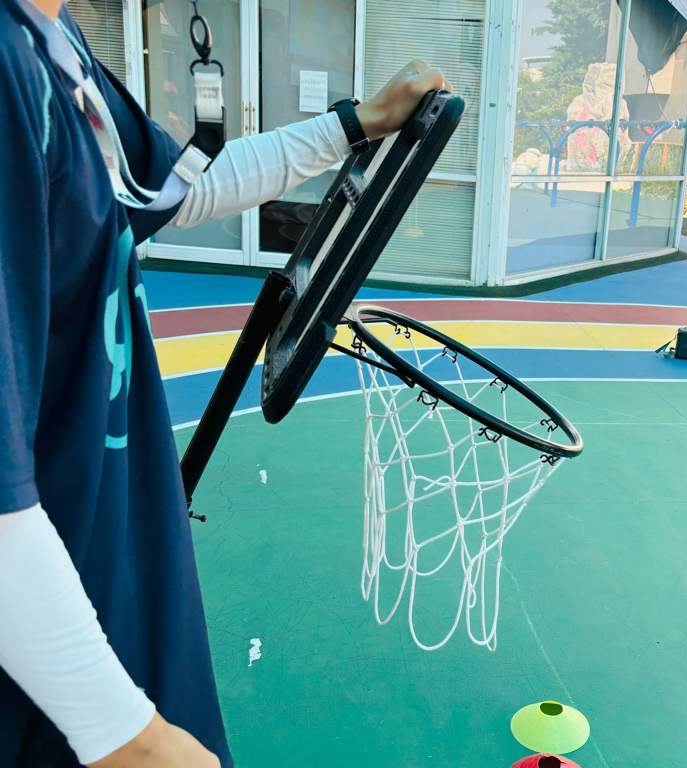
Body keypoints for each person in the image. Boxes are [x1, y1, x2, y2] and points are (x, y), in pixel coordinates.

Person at [0, 0, 449, 765]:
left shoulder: (53, 41)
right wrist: (126, 737)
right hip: (41, 628)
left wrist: (356, 123)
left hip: (102, 548)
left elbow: (180, 192)